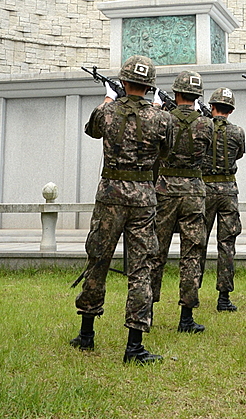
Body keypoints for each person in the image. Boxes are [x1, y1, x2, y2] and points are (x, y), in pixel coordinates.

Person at [70, 55, 173, 364]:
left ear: (124, 82)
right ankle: (134, 345)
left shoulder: (107, 110)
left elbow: (92, 129)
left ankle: (86, 334)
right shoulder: (162, 118)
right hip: (143, 196)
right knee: (141, 268)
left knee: (98, 259)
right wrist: (153, 109)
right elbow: (166, 150)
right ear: (150, 86)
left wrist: (108, 96)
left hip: (110, 195)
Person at [150, 70, 213, 333]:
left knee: (156, 251)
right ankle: (186, 317)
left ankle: (146, 311)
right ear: (197, 96)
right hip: (194, 192)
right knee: (192, 253)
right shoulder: (207, 124)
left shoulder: (163, 119)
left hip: (165, 188)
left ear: (176, 94)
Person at [200, 87, 245, 312]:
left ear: (212, 107)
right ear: (231, 110)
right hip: (228, 190)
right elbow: (239, 154)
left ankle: (191, 293)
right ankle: (224, 297)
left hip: (205, 188)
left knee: (198, 242)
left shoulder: (203, 127)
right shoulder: (238, 132)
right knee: (227, 245)